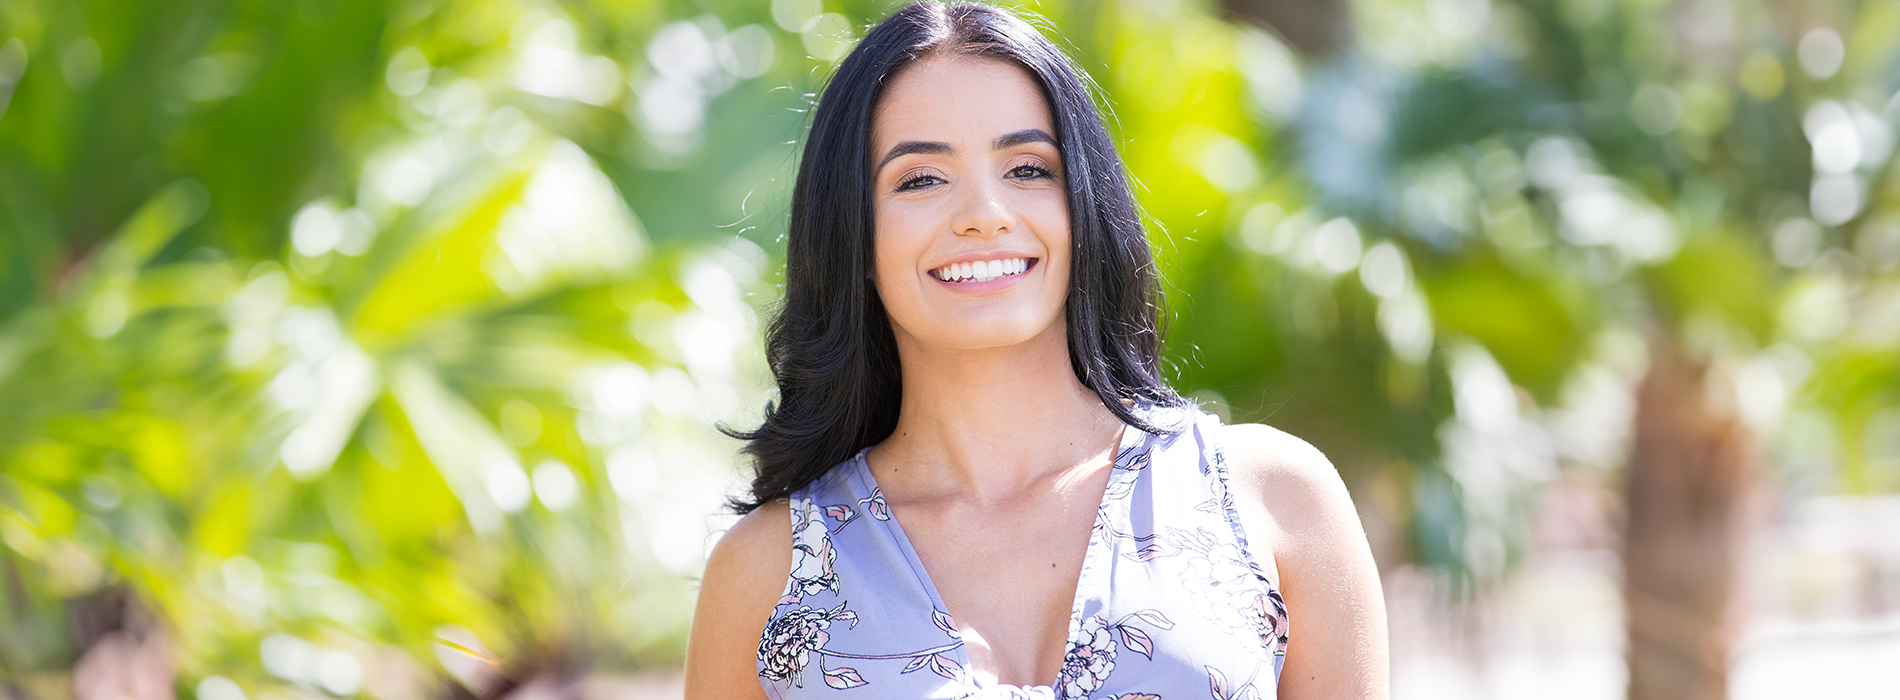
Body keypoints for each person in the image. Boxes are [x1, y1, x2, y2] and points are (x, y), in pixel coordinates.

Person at [685, 3, 1387, 698]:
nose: (984, 215)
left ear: (1083, 204)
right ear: (853, 236)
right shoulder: (765, 575)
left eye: (1027, 169)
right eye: (921, 178)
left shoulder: (1274, 498)